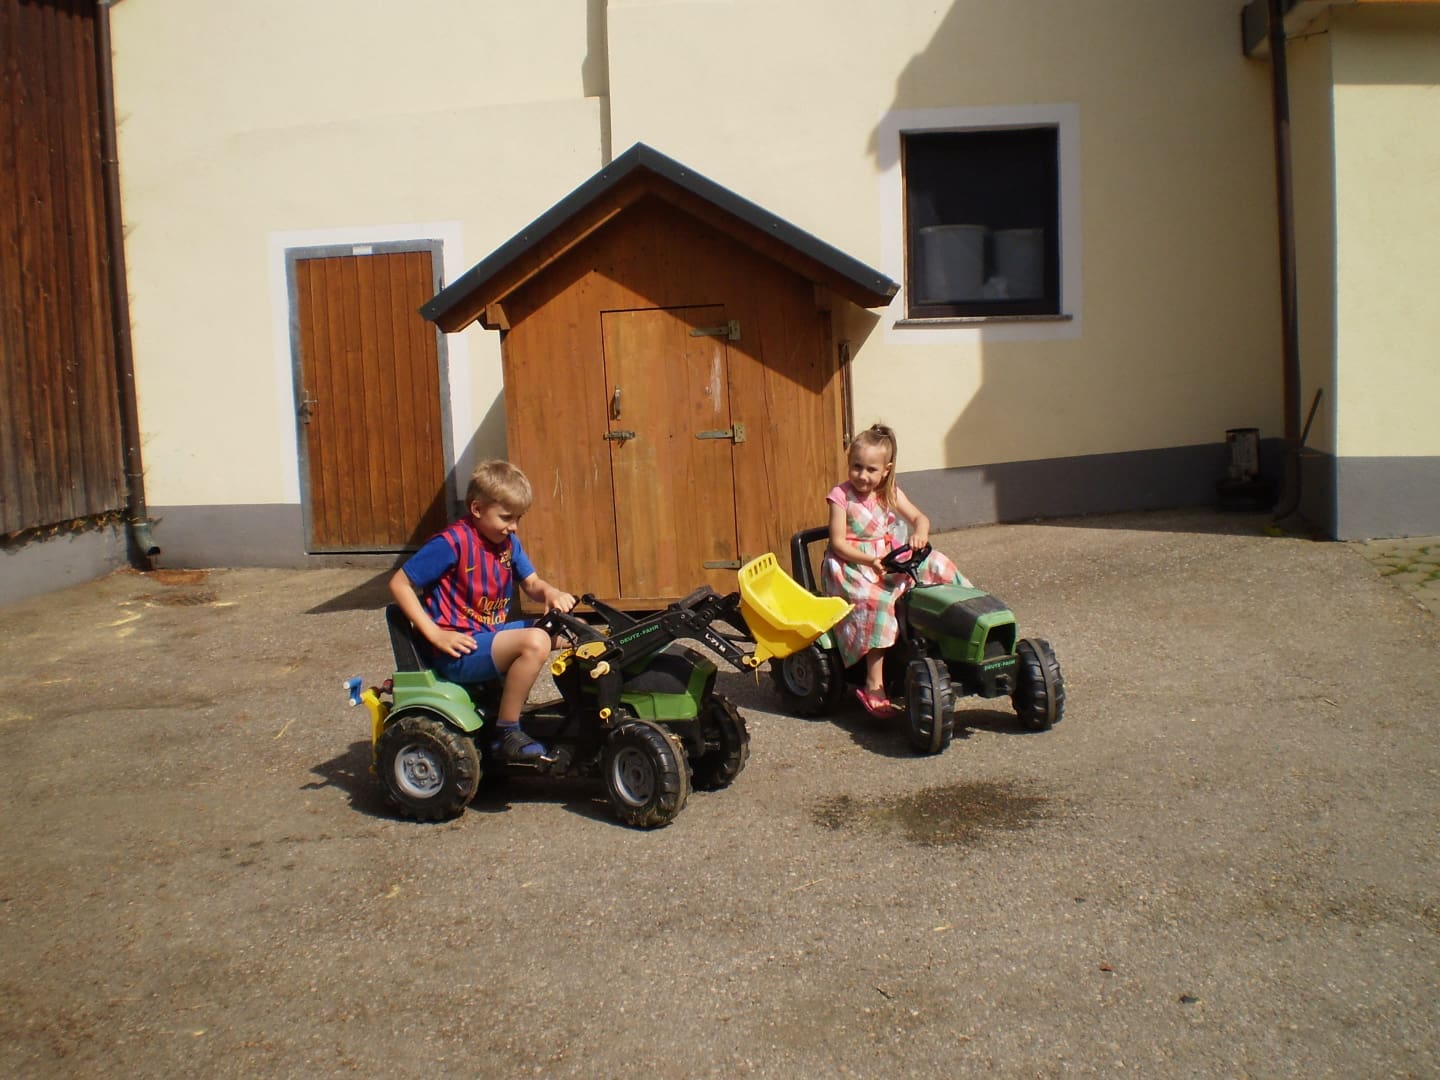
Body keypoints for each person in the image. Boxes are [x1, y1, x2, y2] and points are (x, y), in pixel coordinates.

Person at [388, 459, 576, 761]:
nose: (514, 527)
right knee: (535, 642)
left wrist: (551, 592)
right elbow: (399, 584)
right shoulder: (451, 543)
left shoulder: (507, 543)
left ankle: (579, 714)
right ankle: (507, 731)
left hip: (487, 636)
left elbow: (531, 583)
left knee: (570, 631)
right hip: (458, 649)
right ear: (477, 509)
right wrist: (435, 634)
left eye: (518, 518)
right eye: (506, 517)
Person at [821, 423, 971, 719]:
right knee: (878, 602)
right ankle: (874, 682)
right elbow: (838, 543)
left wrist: (920, 533)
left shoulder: (888, 492)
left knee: (937, 564)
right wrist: (869, 561)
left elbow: (920, 518)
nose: (862, 475)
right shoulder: (841, 496)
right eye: (856, 466)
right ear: (849, 462)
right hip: (851, 565)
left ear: (886, 470)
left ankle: (965, 623)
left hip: (886, 558)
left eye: (871, 469)